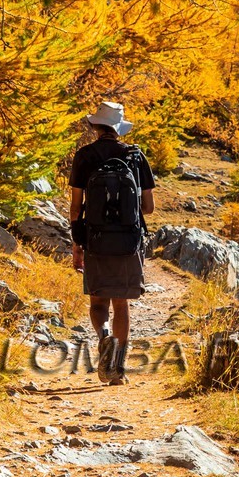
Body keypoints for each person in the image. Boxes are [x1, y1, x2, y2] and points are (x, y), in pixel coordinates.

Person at [68, 101, 155, 385]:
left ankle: (104, 337)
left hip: (94, 238)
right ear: (118, 129)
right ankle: (116, 368)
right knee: (122, 304)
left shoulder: (84, 156)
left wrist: (77, 243)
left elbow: (75, 206)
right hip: (128, 241)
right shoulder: (135, 156)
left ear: (95, 127)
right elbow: (148, 207)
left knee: (98, 302)